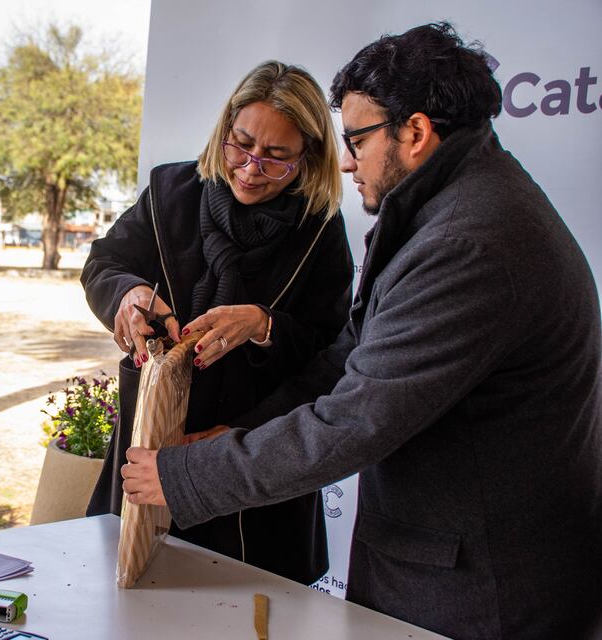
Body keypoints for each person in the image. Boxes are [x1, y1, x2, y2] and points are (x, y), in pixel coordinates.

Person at [121, 23, 602, 639]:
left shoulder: (467, 242)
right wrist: (236, 434)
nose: (346, 160)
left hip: (483, 596)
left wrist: (184, 476)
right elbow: (351, 357)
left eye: (356, 139)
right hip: (455, 574)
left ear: (417, 133)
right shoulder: (452, 208)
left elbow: (354, 419)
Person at [83, 61, 354, 584]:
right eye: (241, 145)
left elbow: (333, 354)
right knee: (130, 598)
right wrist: (127, 293)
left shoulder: (320, 229)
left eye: (276, 158)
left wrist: (265, 325)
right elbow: (103, 264)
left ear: (308, 159)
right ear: (224, 129)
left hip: (255, 468)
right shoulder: (170, 191)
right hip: (153, 446)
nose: (251, 169)